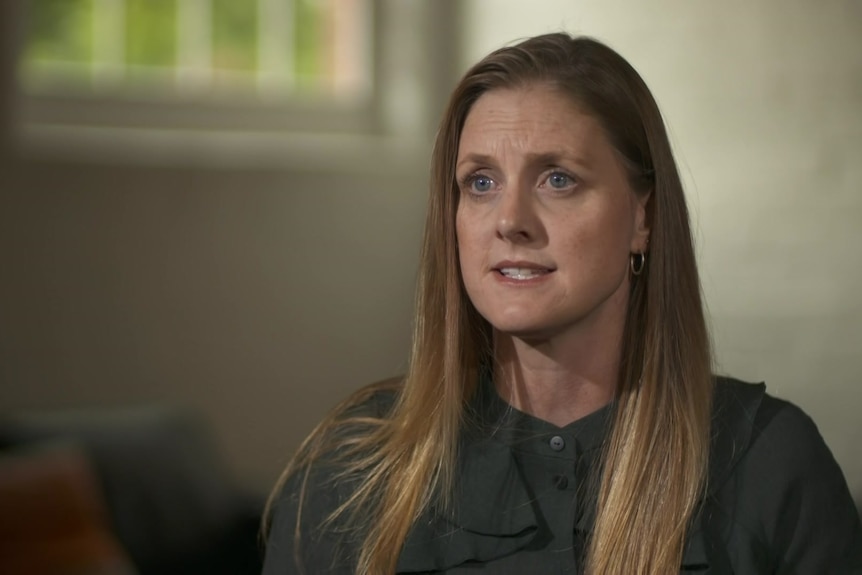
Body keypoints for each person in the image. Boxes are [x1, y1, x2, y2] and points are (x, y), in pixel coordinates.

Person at [262, 33, 862, 574]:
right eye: (480, 182)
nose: (510, 221)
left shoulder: (767, 460)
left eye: (557, 179)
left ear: (643, 217)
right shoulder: (352, 468)